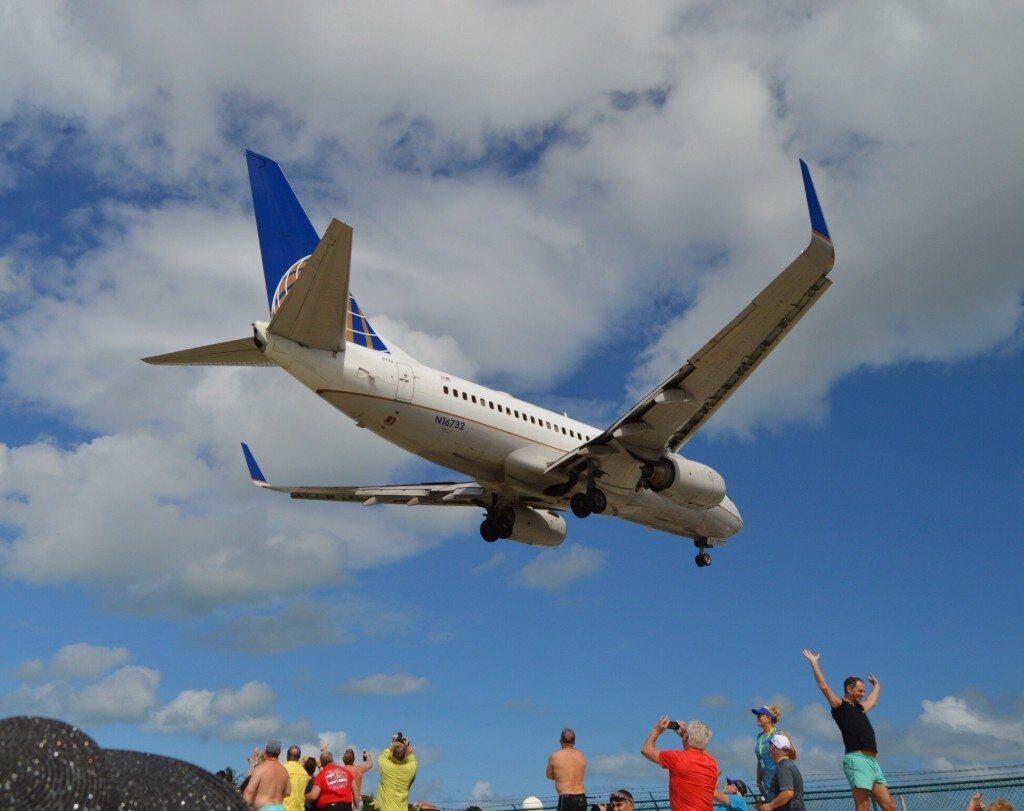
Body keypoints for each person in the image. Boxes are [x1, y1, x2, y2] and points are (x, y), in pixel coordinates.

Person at [802, 650, 895, 811]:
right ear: (849, 688)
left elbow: (872, 701)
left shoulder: (860, 708)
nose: (863, 694)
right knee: (863, 806)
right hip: (857, 759)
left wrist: (877, 685)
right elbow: (824, 687)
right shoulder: (839, 705)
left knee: (889, 806)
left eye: (863, 691)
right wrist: (814, 663)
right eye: (860, 690)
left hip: (872, 762)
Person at [641, 716, 718, 811]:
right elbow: (702, 749)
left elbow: (646, 750)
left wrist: (656, 731)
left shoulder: (677, 758)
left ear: (686, 736)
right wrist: (686, 736)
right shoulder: (712, 764)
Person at [755, 735, 803, 811]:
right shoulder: (789, 765)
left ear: (773, 747)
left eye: (770, 745)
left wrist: (770, 806)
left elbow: (787, 793)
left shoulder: (783, 767)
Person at [243, 739, 291, 811]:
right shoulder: (284, 771)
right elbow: (288, 792)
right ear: (279, 753)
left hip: (264, 808)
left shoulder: (260, 769)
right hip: (279, 808)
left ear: (266, 751)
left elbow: (249, 791)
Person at [546, 728, 588, 811]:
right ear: (574, 741)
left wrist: (560, 775)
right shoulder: (581, 756)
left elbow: (549, 775)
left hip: (566, 798)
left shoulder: (555, 756)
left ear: (561, 741)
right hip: (581, 797)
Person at [375, 734, 418, 811]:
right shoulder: (410, 769)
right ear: (404, 755)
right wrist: (406, 746)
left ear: (392, 753)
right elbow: (412, 757)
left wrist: (393, 743)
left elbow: (383, 755)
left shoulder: (386, 767)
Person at [751, 705, 782, 799]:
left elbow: (787, 757)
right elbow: (760, 759)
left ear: (769, 718)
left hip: (778, 779)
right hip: (766, 781)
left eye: (760, 715)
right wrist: (758, 780)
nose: (757, 717)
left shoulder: (777, 734)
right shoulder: (759, 736)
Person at [284, 746, 309, 811]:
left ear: (287, 755)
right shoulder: (305, 773)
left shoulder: (283, 769)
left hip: (285, 808)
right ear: (299, 757)